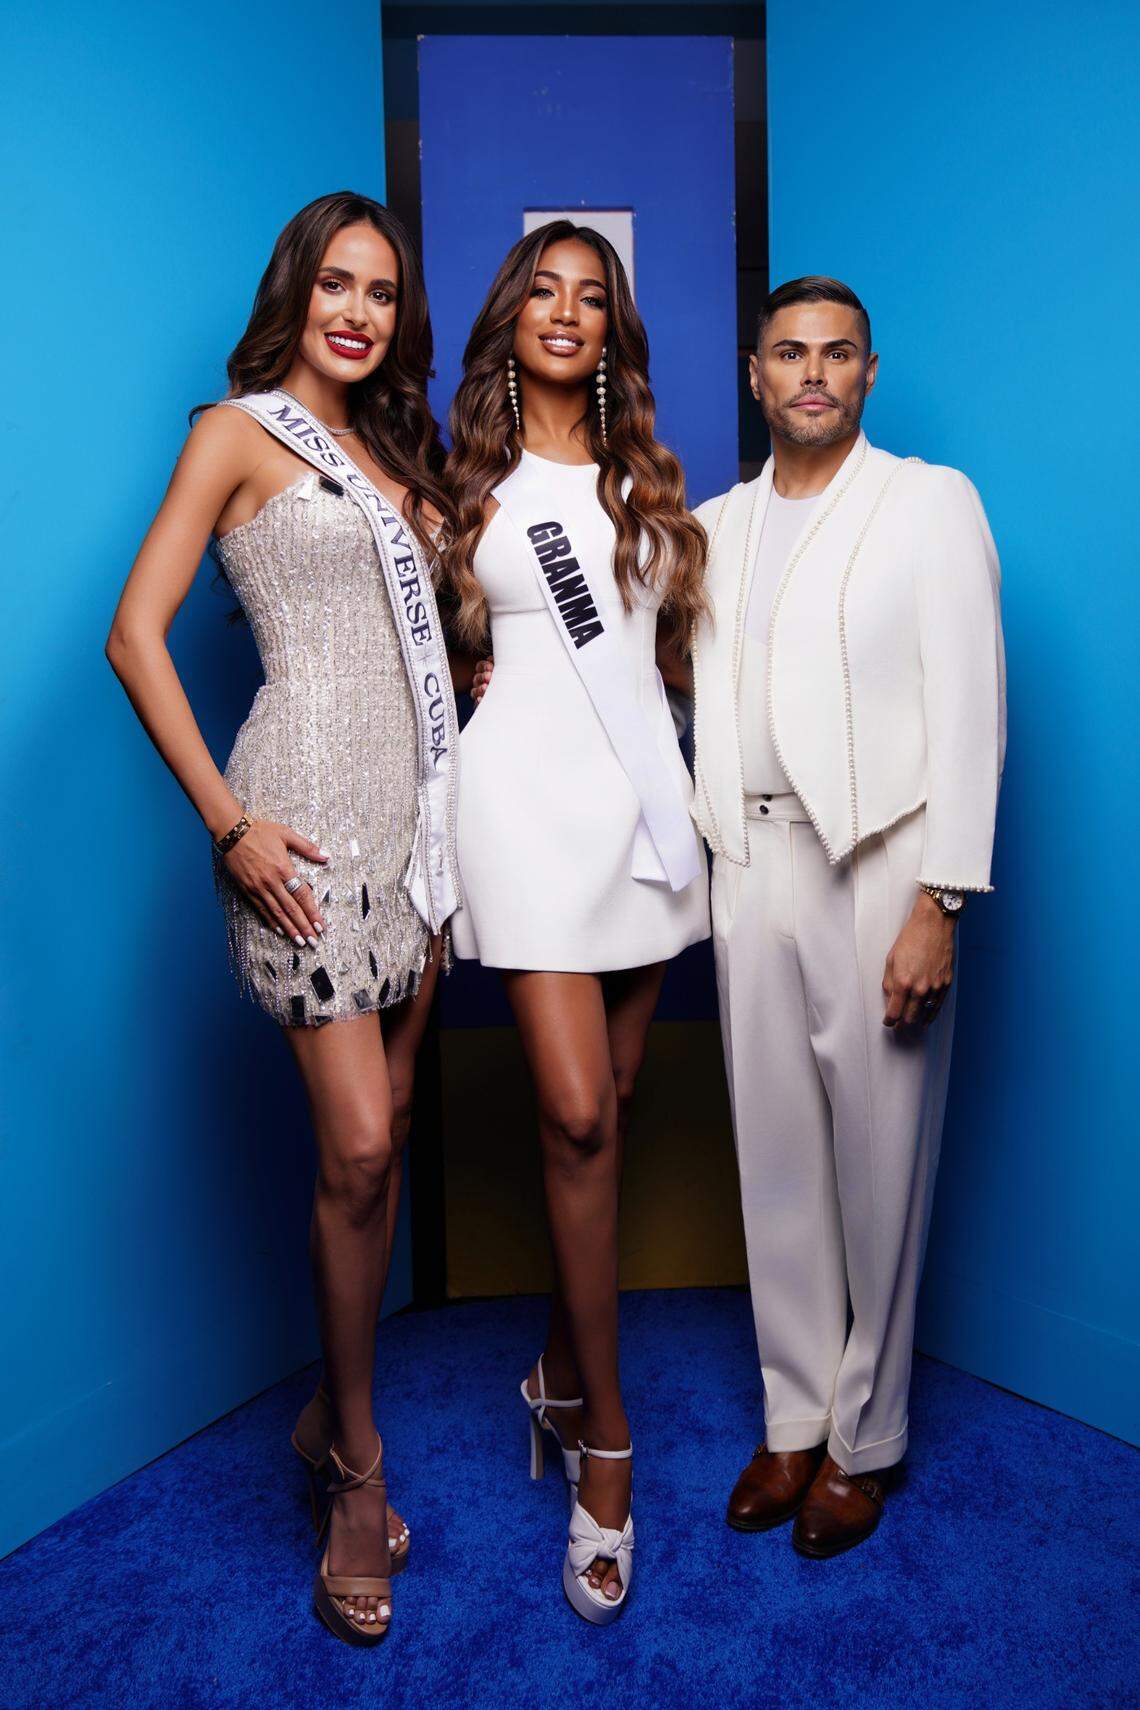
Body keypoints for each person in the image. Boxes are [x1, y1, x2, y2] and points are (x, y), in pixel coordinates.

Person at [105, 191, 463, 1643]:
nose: (357, 312)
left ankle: (326, 1411)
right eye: (336, 283)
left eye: (380, 292)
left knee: (379, 1155)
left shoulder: (395, 453)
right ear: (295, 292)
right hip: (299, 819)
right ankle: (359, 1478)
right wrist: (230, 822)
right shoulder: (237, 432)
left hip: (411, 829)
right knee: (361, 1141)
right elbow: (136, 633)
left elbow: (424, 643)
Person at [691, 277, 1005, 1557]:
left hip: (882, 866)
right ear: (756, 376)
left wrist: (943, 900)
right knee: (774, 1163)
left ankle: (864, 1440)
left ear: (868, 372)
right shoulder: (711, 527)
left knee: (880, 1165)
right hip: (748, 863)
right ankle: (791, 1417)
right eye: (787, 354)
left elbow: (974, 704)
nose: (810, 374)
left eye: (834, 354)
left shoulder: (928, 502)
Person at [443, 221, 709, 1621]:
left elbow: (667, 664)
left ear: (613, 333)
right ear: (512, 317)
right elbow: (428, 650)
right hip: (523, 822)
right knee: (578, 1114)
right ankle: (607, 1444)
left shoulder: (649, 484)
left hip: (639, 826)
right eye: (541, 291)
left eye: (589, 296)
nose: (564, 312)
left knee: (614, 1093)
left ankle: (553, 1366)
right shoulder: (463, 479)